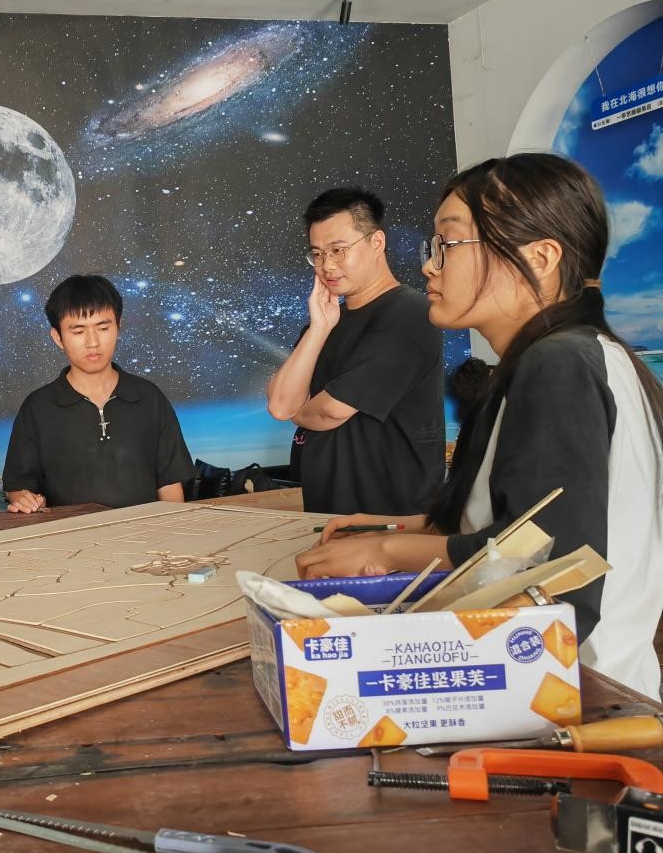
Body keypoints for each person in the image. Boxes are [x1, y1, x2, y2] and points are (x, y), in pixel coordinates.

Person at [296, 153, 663, 699]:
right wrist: (400, 529)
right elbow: (517, 519)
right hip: (553, 686)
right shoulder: (566, 358)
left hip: (572, 695)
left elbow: (550, 559)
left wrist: (387, 553)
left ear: (539, 257)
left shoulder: (558, 363)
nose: (430, 266)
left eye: (448, 244)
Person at [266, 187, 445, 515]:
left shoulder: (409, 313)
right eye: (317, 254)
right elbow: (280, 405)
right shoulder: (326, 321)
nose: (327, 266)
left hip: (391, 520)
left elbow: (331, 410)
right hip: (327, 515)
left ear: (376, 242)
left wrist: (299, 414)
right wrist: (318, 330)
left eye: (338, 250)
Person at [2, 274, 195, 513]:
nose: (93, 342)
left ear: (118, 326)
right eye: (78, 331)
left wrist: (175, 529)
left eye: (103, 328)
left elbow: (170, 484)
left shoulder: (149, 398)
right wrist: (24, 499)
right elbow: (17, 486)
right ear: (58, 337)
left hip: (147, 533)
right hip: (72, 535)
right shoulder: (38, 407)